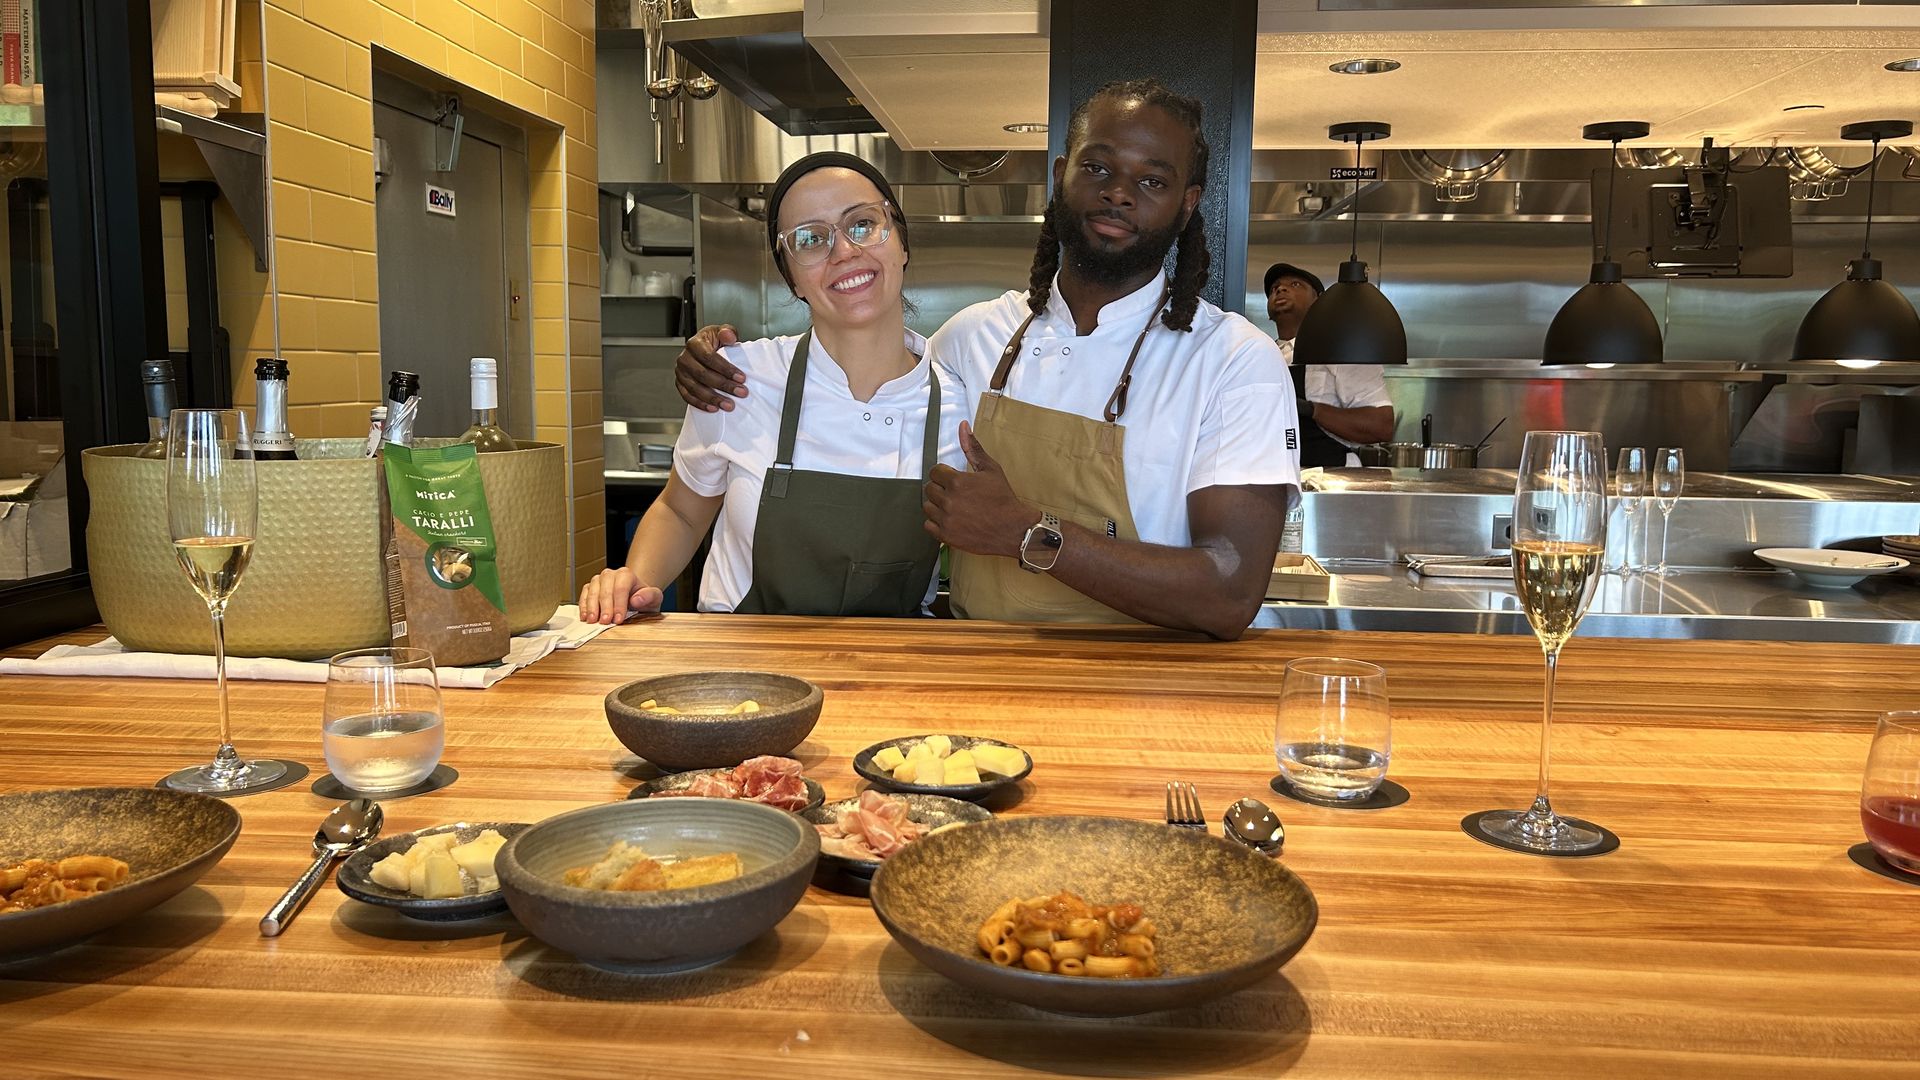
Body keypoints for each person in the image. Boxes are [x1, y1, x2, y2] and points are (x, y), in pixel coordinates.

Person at [674, 80, 1297, 640]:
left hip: (1147, 688)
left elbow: (1228, 591)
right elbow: (861, 371)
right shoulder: (971, 340)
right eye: (1098, 168)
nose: (1119, 195)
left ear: (1188, 204)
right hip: (977, 676)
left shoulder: (1233, 360)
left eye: (1152, 181)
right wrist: (714, 362)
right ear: (1061, 177)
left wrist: (1030, 534)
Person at [578, 151, 962, 623]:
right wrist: (636, 583)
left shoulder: (959, 405)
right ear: (792, 277)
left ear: (901, 243)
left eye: (863, 224)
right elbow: (681, 511)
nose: (844, 251)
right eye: (810, 239)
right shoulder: (738, 380)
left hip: (886, 675)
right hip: (738, 672)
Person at [1264, 262, 1395, 467]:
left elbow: (1381, 425)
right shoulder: (1262, 355)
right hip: (1276, 478)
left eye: (1296, 284)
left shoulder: (1341, 351)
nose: (1280, 289)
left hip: (1333, 479)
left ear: (1319, 300)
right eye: (1274, 288)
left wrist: (1312, 410)